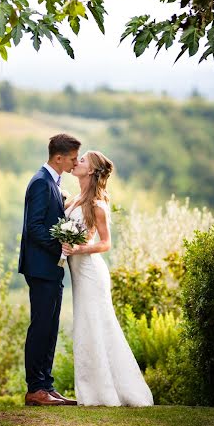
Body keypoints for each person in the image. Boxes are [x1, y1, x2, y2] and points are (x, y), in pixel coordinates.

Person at [62, 150, 154, 407]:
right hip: (79, 274)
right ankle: (91, 391)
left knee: (97, 326)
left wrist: (79, 248)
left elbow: (105, 243)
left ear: (90, 171)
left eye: (81, 161)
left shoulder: (97, 204)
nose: (76, 161)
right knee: (85, 328)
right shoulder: (77, 198)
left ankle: (105, 393)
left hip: (91, 273)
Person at [18, 132, 81, 406]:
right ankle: (35, 388)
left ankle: (47, 384)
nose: (74, 163)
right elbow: (34, 229)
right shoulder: (41, 183)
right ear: (58, 157)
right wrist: (61, 247)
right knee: (41, 326)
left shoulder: (53, 183)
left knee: (50, 327)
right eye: (72, 158)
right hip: (41, 268)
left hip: (50, 269)